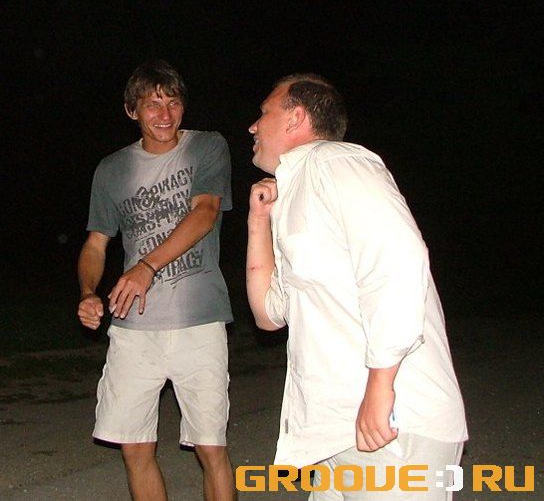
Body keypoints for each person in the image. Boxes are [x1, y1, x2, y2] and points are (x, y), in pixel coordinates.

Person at [246, 74, 467, 500]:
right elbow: (268, 315)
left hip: (395, 423)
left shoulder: (337, 162)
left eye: (263, 113)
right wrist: (259, 222)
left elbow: (399, 258)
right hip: (336, 432)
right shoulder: (298, 190)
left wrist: (381, 387)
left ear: (295, 118)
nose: (253, 126)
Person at [77, 60, 235, 500]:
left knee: (211, 448)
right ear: (132, 111)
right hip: (133, 328)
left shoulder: (207, 146)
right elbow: (95, 245)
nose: (165, 115)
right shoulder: (112, 169)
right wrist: (88, 293)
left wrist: (146, 267)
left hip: (199, 321)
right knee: (135, 448)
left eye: (173, 102)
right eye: (152, 104)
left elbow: (205, 213)